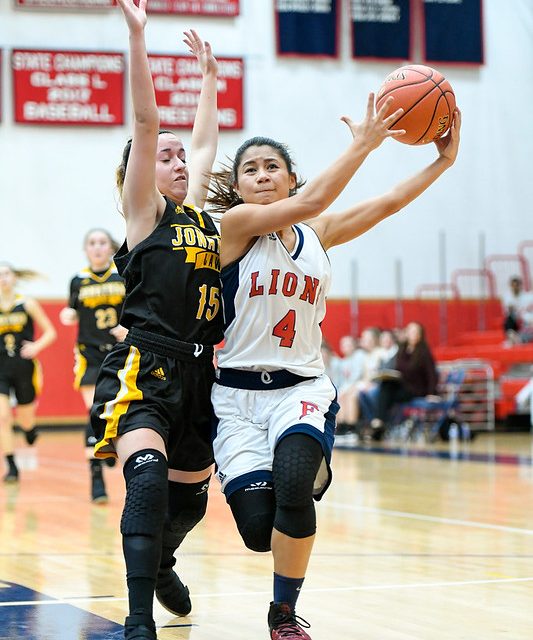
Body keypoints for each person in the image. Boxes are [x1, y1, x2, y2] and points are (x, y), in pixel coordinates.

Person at [208, 94, 461, 638]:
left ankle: (282, 614)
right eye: (249, 169)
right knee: (259, 531)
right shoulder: (232, 228)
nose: (261, 175)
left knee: (295, 484)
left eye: (272, 166)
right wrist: (364, 145)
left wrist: (440, 162)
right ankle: (300, 469)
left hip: (301, 387)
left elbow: (389, 203)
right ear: (238, 187)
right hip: (234, 399)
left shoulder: (315, 234)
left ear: (291, 176)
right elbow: (312, 201)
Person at [89, 1, 222, 638]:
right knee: (144, 481)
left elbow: (205, 141)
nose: (176, 161)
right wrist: (138, 37)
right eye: (162, 156)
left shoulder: (198, 215)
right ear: (140, 171)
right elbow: (147, 120)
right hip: (145, 363)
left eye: (179, 158)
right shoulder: (143, 213)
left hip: (200, 374)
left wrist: (210, 80)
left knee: (190, 498)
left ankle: (165, 560)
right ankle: (138, 619)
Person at [59, 229, 126, 503]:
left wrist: (128, 326)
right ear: (86, 249)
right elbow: (72, 309)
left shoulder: (122, 275)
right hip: (89, 354)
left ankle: (107, 443)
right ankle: (96, 478)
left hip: (121, 352)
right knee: (94, 409)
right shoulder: (78, 280)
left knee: (118, 409)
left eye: (102, 243)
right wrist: (69, 313)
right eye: (92, 243)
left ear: (110, 248)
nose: (97, 248)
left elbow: (137, 308)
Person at [0, 263, 56, 482]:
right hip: (0, 369)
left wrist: (36, 346)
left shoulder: (27, 304)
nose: (3, 278)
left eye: (6, 274)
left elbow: (50, 332)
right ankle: (11, 465)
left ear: (14, 278)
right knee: (3, 418)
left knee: (25, 419)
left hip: (24, 368)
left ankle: (29, 429)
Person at [370, 321, 439, 438]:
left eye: (414, 332)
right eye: (410, 331)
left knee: (386, 394)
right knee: (385, 385)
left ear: (420, 334)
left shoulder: (424, 352)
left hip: (416, 389)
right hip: (402, 385)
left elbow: (431, 374)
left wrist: (431, 393)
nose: (411, 334)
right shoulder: (402, 349)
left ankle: (380, 422)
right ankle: (380, 422)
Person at [502, 275, 533, 344]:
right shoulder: (507, 297)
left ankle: (519, 339)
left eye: (517, 285)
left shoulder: (527, 296)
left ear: (520, 286)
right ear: (511, 286)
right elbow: (509, 312)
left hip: (526, 321)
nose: (515, 288)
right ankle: (512, 336)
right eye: (513, 286)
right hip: (516, 321)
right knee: (509, 319)